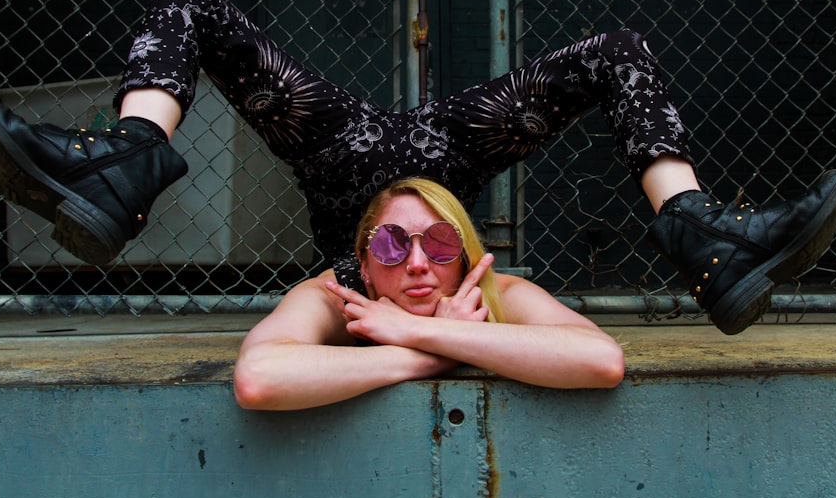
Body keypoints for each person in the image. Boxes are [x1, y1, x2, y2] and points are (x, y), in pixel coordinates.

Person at [0, 0, 836, 343]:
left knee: (185, 0)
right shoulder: (486, 289)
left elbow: (264, 371)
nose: (416, 270)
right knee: (619, 49)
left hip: (343, 157)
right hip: (440, 158)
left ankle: (128, 159)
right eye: (401, 259)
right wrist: (451, 330)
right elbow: (592, 358)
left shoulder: (339, 294)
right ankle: (698, 232)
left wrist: (399, 323)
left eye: (414, 262)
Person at [233, 176, 626, 410]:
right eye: (391, 244)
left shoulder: (497, 290)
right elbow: (257, 378)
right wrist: (432, 358)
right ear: (364, 264)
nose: (418, 263)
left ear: (464, 257)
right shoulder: (335, 293)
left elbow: (602, 360)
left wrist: (418, 331)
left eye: (440, 243)